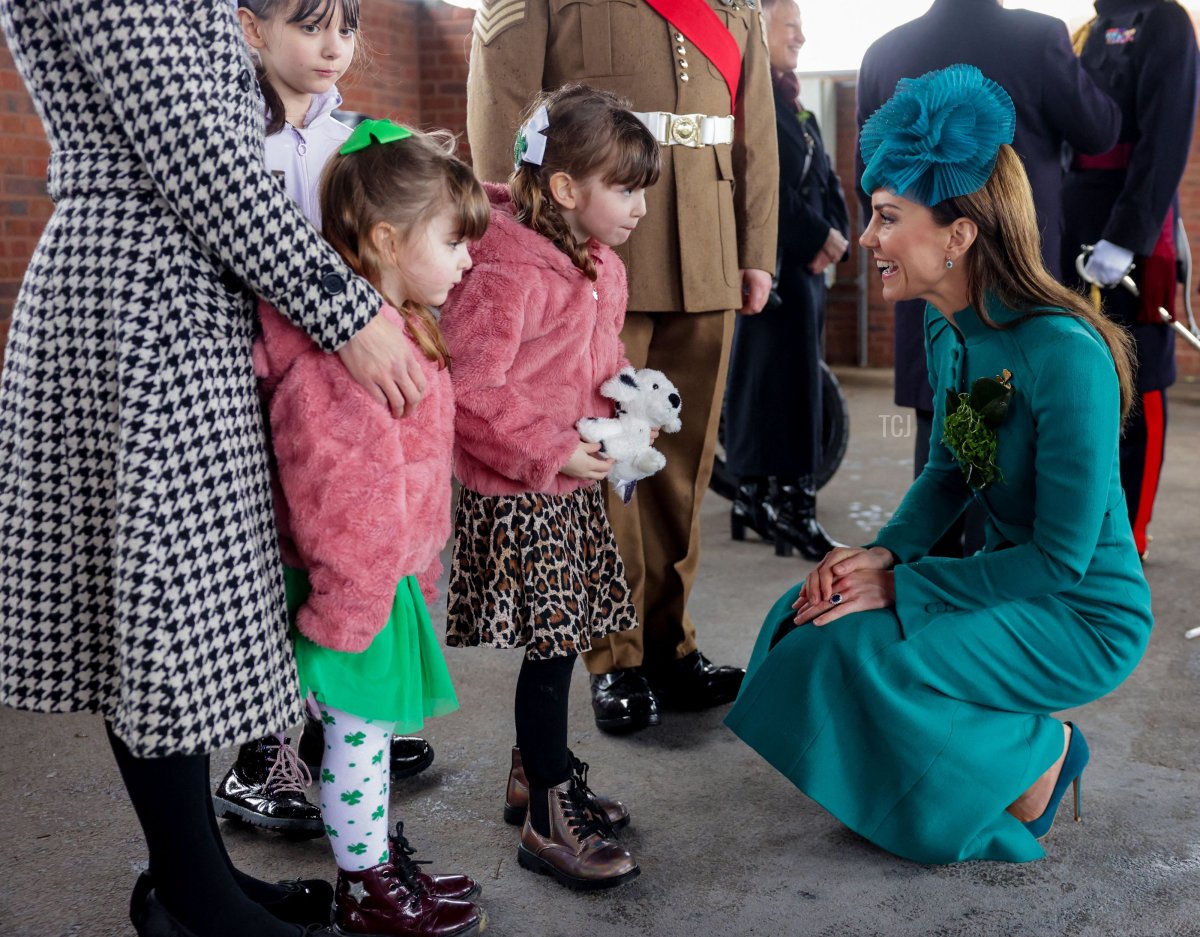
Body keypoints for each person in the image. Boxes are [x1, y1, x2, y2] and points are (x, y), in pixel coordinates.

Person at [0, 2, 429, 936]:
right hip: (142, 288)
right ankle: (193, 897)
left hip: (175, 278)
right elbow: (199, 152)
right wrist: (343, 311)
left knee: (176, 615)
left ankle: (194, 878)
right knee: (158, 618)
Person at [726, 65, 1153, 864]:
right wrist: (877, 555)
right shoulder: (950, 329)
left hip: (1081, 613)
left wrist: (904, 585)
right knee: (806, 615)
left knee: (871, 649)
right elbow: (952, 474)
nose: (867, 239)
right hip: (1008, 578)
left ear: (959, 235)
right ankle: (1000, 766)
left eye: (887, 218)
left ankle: (1039, 758)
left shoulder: (1066, 357)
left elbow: (1060, 558)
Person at [466, 0, 779, 733]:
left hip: (707, 244)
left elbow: (753, 125)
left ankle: (671, 642)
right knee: (605, 459)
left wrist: (755, 245)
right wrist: (514, 239)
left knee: (681, 464)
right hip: (588, 249)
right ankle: (618, 655)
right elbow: (503, 103)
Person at [255, 118, 489, 937]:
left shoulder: (398, 327)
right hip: (356, 587)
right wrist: (359, 602)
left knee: (366, 740)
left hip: (384, 577)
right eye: (455, 242)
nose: (468, 259)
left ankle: (374, 859)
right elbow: (338, 490)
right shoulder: (339, 359)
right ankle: (366, 889)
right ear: (387, 239)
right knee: (358, 742)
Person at [213, 0, 437, 842]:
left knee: (342, 559)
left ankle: (332, 726)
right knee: (268, 571)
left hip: (353, 386)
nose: (334, 45)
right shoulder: (235, 141)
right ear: (250, 27)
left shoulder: (364, 141)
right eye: (310, 25)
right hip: (262, 382)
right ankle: (260, 754)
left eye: (345, 26)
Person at [440, 85, 658, 890]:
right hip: (522, 490)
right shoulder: (506, 267)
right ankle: (546, 820)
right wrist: (554, 450)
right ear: (566, 188)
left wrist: (632, 411)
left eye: (642, 188)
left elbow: (599, 372)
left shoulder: (602, 263)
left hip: (571, 484)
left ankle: (538, 771)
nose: (638, 205)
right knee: (554, 645)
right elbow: (469, 389)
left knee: (562, 638)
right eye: (624, 187)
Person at [855, 0, 1122, 558]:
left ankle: (941, 577)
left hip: (952, 286)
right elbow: (1101, 131)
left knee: (953, 436)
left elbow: (871, 185)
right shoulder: (1041, 38)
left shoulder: (884, 51)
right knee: (970, 456)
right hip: (1005, 282)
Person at [1062, 0, 1199, 560]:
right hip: (1074, 230)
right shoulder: (1087, 31)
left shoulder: (1162, 20)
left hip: (1131, 237)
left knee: (1138, 379)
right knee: (1080, 379)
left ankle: (1131, 536)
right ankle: (1085, 521)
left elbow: (1166, 135)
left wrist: (1126, 236)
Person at [723, 0, 849, 561]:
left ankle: (755, 499)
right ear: (757, 28)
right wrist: (819, 236)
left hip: (804, 271)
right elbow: (761, 186)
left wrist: (837, 234)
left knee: (785, 384)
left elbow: (826, 181)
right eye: (789, 24)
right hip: (775, 270)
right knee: (775, 387)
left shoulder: (794, 103)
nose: (801, 34)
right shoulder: (751, 102)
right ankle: (789, 510)